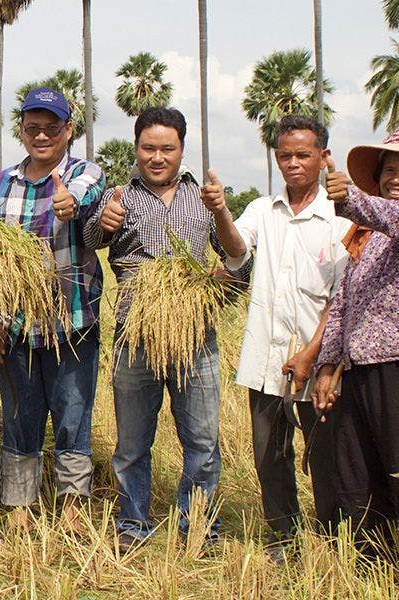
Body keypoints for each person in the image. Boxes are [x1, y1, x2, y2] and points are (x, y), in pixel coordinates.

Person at [84, 106, 244, 553]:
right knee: (132, 443)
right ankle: (132, 525)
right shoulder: (120, 195)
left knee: (202, 441)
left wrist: (223, 215)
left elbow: (237, 260)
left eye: (166, 149)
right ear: (136, 149)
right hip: (135, 334)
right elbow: (92, 239)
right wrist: (104, 222)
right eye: (148, 148)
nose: (157, 157)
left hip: (194, 334)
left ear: (181, 150)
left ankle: (197, 528)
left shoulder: (203, 197)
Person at [313, 124, 399, 575]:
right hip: (357, 371)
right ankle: (373, 565)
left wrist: (348, 197)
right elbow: (342, 305)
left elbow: (393, 216)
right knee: (358, 470)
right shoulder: (364, 236)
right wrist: (328, 366)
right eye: (389, 170)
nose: (396, 179)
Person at [219, 115, 351, 558]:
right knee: (269, 456)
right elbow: (237, 252)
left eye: (303, 155)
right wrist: (220, 210)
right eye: (285, 156)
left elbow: (343, 295)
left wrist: (313, 354)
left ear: (322, 157)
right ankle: (283, 538)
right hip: (266, 361)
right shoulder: (261, 210)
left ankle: (334, 539)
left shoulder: (340, 218)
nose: (293, 163)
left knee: (325, 456)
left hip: (322, 365)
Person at [0, 87, 106, 532]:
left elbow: (82, 197)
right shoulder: (2, 183)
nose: (41, 136)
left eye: (51, 128)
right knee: (20, 414)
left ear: (68, 130)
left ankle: (72, 505)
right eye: (32, 128)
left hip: (72, 320)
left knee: (73, 412)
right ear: (21, 130)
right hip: (16, 325)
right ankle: (20, 506)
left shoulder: (84, 172)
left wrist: (68, 204)